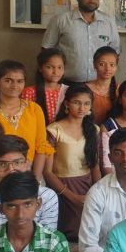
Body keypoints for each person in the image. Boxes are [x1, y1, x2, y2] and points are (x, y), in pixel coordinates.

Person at [0, 60, 54, 182]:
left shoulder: (34, 109)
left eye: (19, 81)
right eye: (8, 81)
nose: (14, 86)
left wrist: (34, 180)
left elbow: (41, 147)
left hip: (29, 173)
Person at [43, 84, 100, 240]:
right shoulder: (54, 130)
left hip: (87, 186)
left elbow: (95, 166)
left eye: (86, 103)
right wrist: (72, 197)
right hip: (62, 189)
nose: (82, 108)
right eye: (77, 102)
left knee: (93, 230)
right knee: (70, 232)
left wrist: (97, 193)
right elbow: (47, 172)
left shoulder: (93, 130)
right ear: (67, 103)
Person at [41, 0, 120, 83]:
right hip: (68, 83)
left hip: (100, 84)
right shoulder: (60, 20)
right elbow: (46, 51)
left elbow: (115, 52)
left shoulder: (108, 23)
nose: (92, 0)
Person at [0, 136, 58, 237]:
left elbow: (48, 240)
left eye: (18, 162)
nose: (11, 170)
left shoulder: (47, 197)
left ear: (27, 165)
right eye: (1, 164)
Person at [20, 48, 68, 124]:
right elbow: (26, 120)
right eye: (50, 67)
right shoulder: (29, 92)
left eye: (60, 67)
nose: (55, 72)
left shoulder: (67, 91)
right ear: (40, 68)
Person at [86, 46, 120, 124]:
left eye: (112, 65)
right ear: (94, 65)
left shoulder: (122, 89)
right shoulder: (85, 89)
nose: (107, 69)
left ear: (116, 66)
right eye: (102, 64)